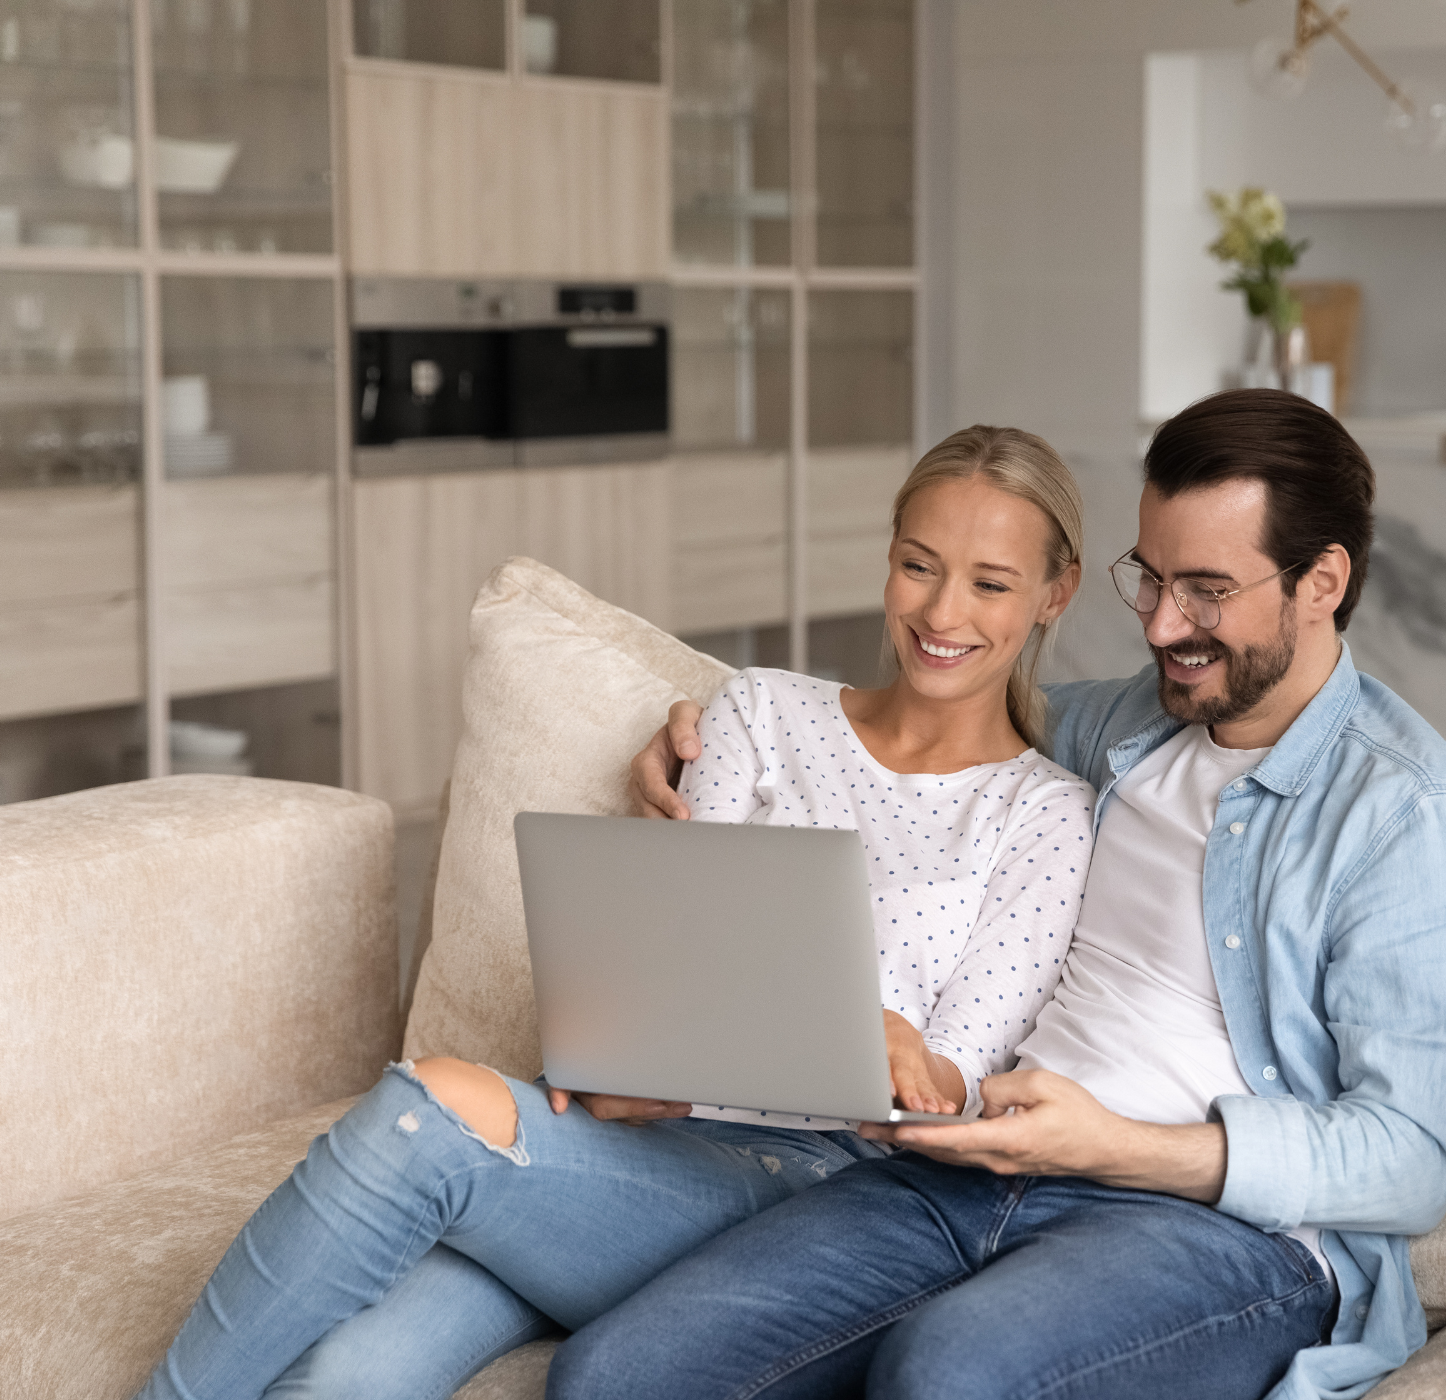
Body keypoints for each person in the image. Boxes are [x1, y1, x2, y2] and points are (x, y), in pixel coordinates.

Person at [582, 388, 1446, 1400]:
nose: (1163, 626)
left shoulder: (1417, 814)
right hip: (969, 1170)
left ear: (1320, 581)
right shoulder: (1116, 725)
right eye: (1149, 578)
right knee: (616, 1371)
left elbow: (1410, 1157)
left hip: (1216, 1232)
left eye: (1204, 589)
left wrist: (1113, 1146)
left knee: (945, 1374)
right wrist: (690, 723)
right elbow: (912, 705)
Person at [134, 425, 1098, 1400]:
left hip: (815, 1191)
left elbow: (954, 1094)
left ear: (1051, 594)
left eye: (989, 582)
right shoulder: (758, 711)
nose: (941, 610)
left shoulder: (1042, 814)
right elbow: (670, 949)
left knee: (427, 1110)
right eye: (917, 566)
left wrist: (875, 1035)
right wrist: (625, 1058)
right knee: (349, 1373)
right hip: (628, 1140)